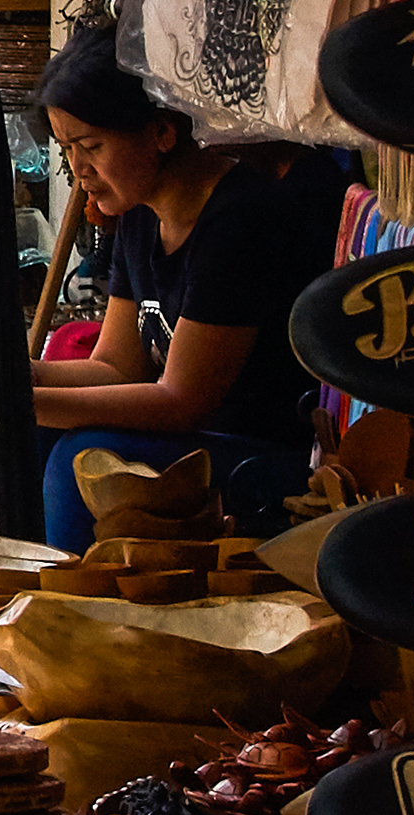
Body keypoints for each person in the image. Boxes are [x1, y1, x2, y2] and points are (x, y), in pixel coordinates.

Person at [24, 38, 354, 547]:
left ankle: (63, 613)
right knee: (25, 433)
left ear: (160, 132)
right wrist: (15, 377)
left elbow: (182, 401)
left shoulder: (240, 219)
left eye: (91, 147)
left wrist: (26, 400)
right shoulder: (138, 214)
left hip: (266, 462)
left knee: (77, 459)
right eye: (67, 149)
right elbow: (117, 366)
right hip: (193, 445)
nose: (77, 169)